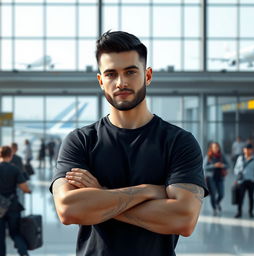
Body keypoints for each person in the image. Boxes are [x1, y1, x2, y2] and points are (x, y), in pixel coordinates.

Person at [50, 31, 208, 256]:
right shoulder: (80, 141)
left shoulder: (179, 142)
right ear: (100, 81)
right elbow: (69, 210)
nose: (121, 82)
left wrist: (99, 194)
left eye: (130, 72)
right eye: (111, 74)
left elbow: (183, 219)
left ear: (148, 75)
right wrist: (147, 191)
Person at [0, 146, 31, 256]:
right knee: (15, 233)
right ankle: (23, 253)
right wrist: (28, 191)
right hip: (12, 206)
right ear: (11, 155)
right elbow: (24, 188)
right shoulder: (14, 169)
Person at [203, 141, 229, 216]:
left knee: (221, 194)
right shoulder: (208, 156)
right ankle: (214, 208)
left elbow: (228, 165)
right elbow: (204, 167)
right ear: (211, 148)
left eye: (217, 147)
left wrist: (222, 165)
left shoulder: (222, 156)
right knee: (213, 194)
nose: (216, 148)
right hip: (211, 178)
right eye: (214, 147)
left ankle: (217, 203)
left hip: (220, 177)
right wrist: (214, 165)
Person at [234, 143, 254, 218]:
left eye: (249, 149)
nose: (247, 151)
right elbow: (235, 168)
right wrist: (238, 174)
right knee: (241, 197)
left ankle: (251, 212)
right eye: (245, 149)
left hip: (251, 181)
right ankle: (239, 212)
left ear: (251, 150)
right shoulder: (240, 158)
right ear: (243, 150)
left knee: (251, 197)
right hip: (241, 181)